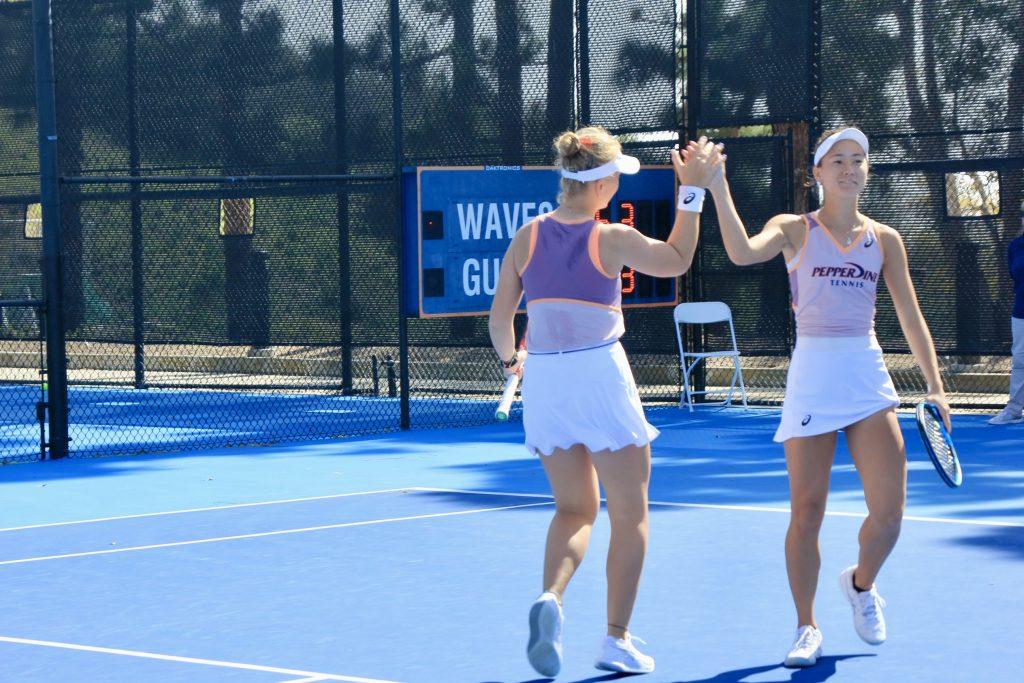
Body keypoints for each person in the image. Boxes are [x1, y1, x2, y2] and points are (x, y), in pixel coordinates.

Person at [700, 127, 952, 667]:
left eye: (857, 160)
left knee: (889, 514)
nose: (848, 168)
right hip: (813, 371)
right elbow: (742, 253)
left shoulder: (885, 240)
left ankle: (861, 585)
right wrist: (719, 187)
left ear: (866, 171)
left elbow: (909, 314)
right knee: (806, 512)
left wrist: (934, 385)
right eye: (837, 160)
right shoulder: (794, 229)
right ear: (817, 174)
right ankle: (806, 626)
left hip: (866, 372)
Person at [488, 127, 721, 676]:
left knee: (573, 509)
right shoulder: (611, 237)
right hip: (598, 373)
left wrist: (510, 363)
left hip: (543, 381)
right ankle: (616, 638)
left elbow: (501, 321)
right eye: (615, 176)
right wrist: (693, 192)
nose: (618, 184)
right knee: (631, 512)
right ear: (598, 184)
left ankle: (552, 597)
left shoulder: (526, 236)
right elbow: (678, 258)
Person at [988, 201, 1024, 425]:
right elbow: (1016, 275)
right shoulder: (1015, 247)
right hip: (1021, 312)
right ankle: (1014, 410)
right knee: (1020, 360)